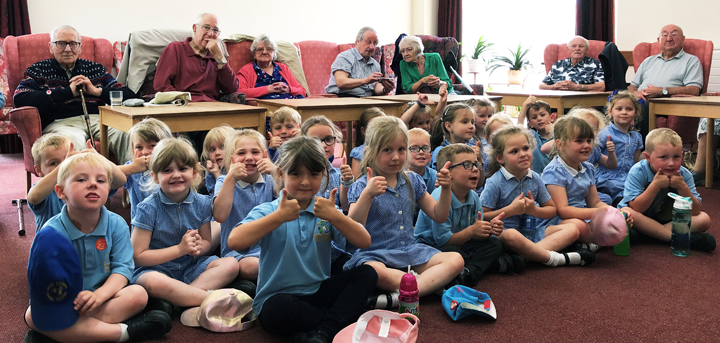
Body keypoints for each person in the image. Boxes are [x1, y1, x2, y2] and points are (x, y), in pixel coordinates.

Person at [228, 136, 377, 343]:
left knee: (367, 273)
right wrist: (277, 218)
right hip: (277, 299)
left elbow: (364, 242)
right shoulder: (269, 210)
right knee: (278, 309)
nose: (305, 181)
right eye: (296, 173)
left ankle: (320, 331)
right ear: (281, 173)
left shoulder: (325, 209)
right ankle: (332, 324)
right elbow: (234, 242)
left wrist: (334, 216)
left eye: (314, 174)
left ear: (323, 175)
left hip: (318, 292)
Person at [24, 153, 171, 343]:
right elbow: (45, 284)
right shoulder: (51, 233)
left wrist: (98, 296)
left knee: (138, 294)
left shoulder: (117, 224)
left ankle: (67, 334)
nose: (93, 184)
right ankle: (125, 332)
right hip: (68, 303)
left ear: (108, 189)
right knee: (31, 316)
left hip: (105, 297)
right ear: (61, 192)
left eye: (100, 180)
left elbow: (122, 269)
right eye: (81, 179)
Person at [346, 116, 464, 308]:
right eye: (387, 150)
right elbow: (352, 228)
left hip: (410, 252)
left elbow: (439, 215)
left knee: (455, 259)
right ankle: (427, 285)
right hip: (375, 255)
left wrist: (446, 189)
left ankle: (399, 296)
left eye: (401, 149)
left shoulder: (412, 181)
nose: (395, 157)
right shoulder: (361, 185)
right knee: (372, 271)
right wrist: (367, 195)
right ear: (371, 151)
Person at [130, 138, 239, 315]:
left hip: (189, 269)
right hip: (156, 270)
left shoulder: (203, 203)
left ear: (195, 172)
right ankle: (210, 300)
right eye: (167, 170)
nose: (176, 175)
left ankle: (179, 300)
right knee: (152, 282)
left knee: (231, 264)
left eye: (182, 168)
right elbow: (137, 256)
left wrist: (197, 247)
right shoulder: (147, 208)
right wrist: (180, 249)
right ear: (155, 176)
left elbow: (206, 242)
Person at [14, 25, 136, 163]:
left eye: (73, 44)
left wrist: (97, 91)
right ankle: (82, 183)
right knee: (73, 141)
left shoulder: (95, 68)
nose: (67, 49)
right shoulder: (37, 70)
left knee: (127, 134)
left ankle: (132, 182)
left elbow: (130, 95)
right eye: (61, 43)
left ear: (80, 48)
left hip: (98, 119)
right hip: (60, 123)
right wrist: (67, 92)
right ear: (51, 47)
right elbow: (20, 98)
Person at [480, 126, 594, 268]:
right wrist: (510, 210)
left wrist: (534, 210)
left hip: (533, 231)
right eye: (514, 151)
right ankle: (556, 258)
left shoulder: (535, 178)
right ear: (500, 158)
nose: (523, 154)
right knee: (511, 235)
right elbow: (482, 215)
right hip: (505, 233)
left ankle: (528, 257)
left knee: (572, 229)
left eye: (526, 148)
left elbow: (552, 209)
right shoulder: (495, 182)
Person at [415, 144, 503, 286]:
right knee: (453, 253)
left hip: (461, 243)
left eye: (476, 164)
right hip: (432, 246)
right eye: (467, 165)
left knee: (494, 244)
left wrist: (488, 229)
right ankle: (483, 266)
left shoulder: (473, 197)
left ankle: (467, 272)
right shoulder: (440, 197)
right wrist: (472, 231)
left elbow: (473, 234)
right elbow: (443, 241)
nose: (475, 169)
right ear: (448, 173)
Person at [542, 116, 631, 249]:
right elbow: (563, 211)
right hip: (554, 223)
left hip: (580, 215)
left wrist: (615, 212)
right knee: (579, 226)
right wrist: (598, 214)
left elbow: (595, 202)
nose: (586, 145)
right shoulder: (555, 171)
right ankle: (593, 242)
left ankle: (588, 243)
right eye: (579, 141)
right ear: (560, 144)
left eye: (589, 141)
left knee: (612, 219)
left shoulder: (587, 168)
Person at [618, 128, 715, 252]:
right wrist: (655, 185)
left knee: (704, 219)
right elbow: (637, 208)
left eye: (676, 157)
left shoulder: (684, 175)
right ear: (648, 157)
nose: (671, 163)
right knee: (626, 211)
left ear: (683, 155)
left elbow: (695, 211)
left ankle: (652, 235)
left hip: (669, 221)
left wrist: (682, 187)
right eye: (663, 157)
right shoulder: (638, 171)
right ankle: (673, 238)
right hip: (642, 218)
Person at [212, 129, 274, 283]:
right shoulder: (223, 181)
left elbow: (292, 199)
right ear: (232, 159)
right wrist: (231, 179)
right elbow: (219, 216)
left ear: (265, 155)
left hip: (269, 248)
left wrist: (276, 172)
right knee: (252, 267)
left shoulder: (270, 180)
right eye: (241, 153)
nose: (248, 158)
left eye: (255, 152)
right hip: (238, 253)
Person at [28, 133, 126, 230]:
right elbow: (33, 198)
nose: (64, 165)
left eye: (69, 159)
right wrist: (64, 166)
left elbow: (120, 180)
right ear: (39, 170)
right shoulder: (44, 191)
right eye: (54, 163)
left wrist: (99, 158)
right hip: (54, 242)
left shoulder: (85, 183)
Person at [628, 24, 703, 138]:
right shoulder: (648, 61)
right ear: (659, 40)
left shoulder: (691, 61)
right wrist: (636, 93)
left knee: (642, 107)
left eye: (674, 34)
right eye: (664, 35)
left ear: (683, 39)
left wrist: (662, 91)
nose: (669, 38)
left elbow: (694, 90)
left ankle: (642, 149)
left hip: (665, 104)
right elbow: (632, 87)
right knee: (609, 104)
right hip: (639, 100)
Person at [154, 13, 239, 102]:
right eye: (206, 27)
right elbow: (161, 85)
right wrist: (180, 100)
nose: (210, 33)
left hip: (212, 107)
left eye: (215, 30)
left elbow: (232, 89)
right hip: (183, 106)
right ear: (195, 28)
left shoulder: (219, 56)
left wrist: (220, 58)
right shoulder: (175, 49)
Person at [594, 92, 643, 205]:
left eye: (629, 109)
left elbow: (636, 160)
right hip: (607, 176)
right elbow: (594, 155)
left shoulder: (636, 136)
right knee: (620, 191)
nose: (624, 112)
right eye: (619, 109)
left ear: (635, 113)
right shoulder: (605, 134)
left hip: (629, 175)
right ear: (611, 112)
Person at [118, 118, 173, 220]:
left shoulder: (172, 167)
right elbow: (108, 174)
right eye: (139, 147)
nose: (145, 152)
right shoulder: (131, 168)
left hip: (168, 224)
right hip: (140, 227)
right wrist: (131, 168)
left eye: (152, 146)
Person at [325, 27, 394, 97]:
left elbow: (375, 87)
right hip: (342, 98)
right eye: (368, 42)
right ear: (358, 40)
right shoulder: (345, 57)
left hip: (365, 101)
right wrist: (365, 81)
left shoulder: (375, 65)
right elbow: (341, 82)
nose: (372, 47)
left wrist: (384, 89)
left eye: (375, 43)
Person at [236, 34, 306, 99]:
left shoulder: (283, 68)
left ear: (274, 53)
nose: (264, 52)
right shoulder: (246, 70)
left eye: (269, 49)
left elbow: (302, 91)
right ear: (254, 53)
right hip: (267, 107)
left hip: (290, 105)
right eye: (260, 49)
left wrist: (288, 89)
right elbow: (239, 93)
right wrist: (268, 89)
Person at [540, 36, 605, 92]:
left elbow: (601, 86)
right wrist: (553, 87)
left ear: (586, 50)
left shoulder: (595, 65)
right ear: (568, 50)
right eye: (574, 46)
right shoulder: (558, 65)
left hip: (581, 101)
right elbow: (542, 85)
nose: (577, 49)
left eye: (581, 46)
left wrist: (578, 87)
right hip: (557, 100)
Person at [430, 103, 480, 169]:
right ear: (449, 126)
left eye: (472, 122)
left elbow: (480, 179)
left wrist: (479, 159)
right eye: (464, 122)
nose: (471, 126)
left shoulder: (473, 148)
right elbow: (440, 177)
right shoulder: (440, 151)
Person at [517, 96, 556, 174]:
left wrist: (554, 129)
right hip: (538, 176)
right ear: (530, 124)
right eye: (534, 117)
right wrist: (524, 106)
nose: (539, 119)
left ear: (552, 117)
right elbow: (518, 128)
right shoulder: (532, 136)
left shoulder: (558, 135)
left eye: (542, 115)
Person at [349, 107, 386, 179]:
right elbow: (356, 180)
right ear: (364, 131)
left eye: (384, 126)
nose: (380, 131)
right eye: (375, 127)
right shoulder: (358, 152)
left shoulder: (392, 148)